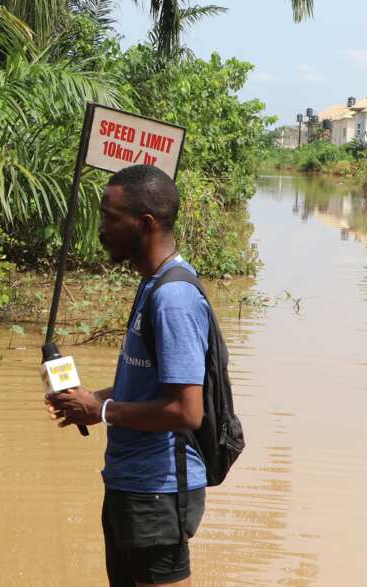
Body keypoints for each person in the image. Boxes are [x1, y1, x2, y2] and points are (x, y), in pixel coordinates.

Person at [47, 164, 210, 587]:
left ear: (145, 223)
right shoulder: (152, 285)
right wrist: (90, 402)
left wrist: (102, 410)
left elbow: (186, 411)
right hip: (133, 482)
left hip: (159, 489)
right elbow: (152, 386)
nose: (101, 228)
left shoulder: (172, 297)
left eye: (109, 216)